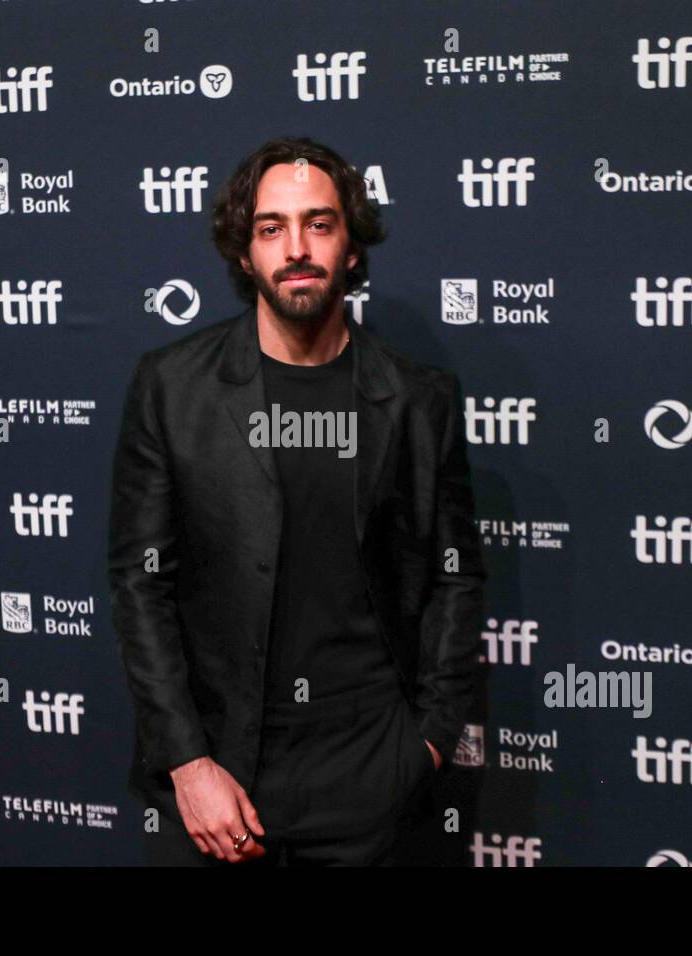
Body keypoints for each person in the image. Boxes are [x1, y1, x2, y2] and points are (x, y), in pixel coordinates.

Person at [108, 136, 487, 866]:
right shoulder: (171, 387)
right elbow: (139, 586)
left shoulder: (418, 399)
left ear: (351, 246)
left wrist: (429, 744)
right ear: (244, 252)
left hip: (372, 774)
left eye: (319, 223)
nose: (297, 247)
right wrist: (188, 764)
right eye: (271, 227)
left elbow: (455, 576)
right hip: (224, 773)